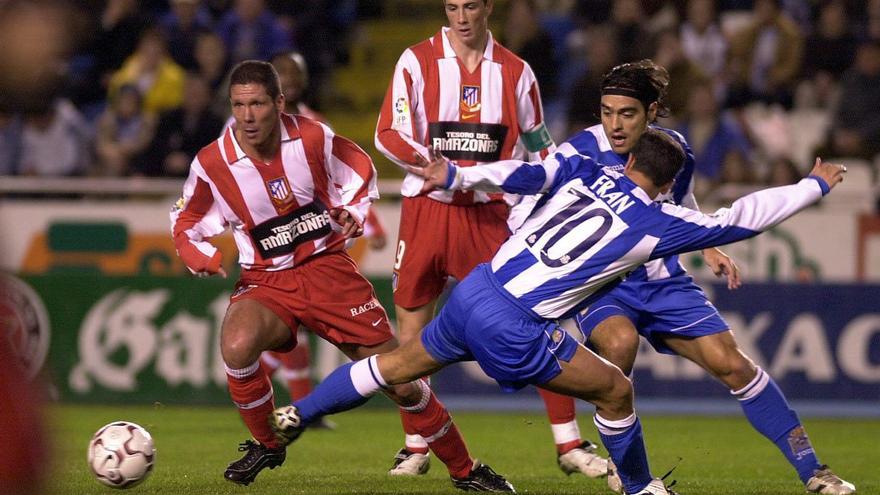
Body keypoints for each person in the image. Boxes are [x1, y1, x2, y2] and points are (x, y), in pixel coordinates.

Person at [271, 129, 846, 495]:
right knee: (616, 390)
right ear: (670, 181)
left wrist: (459, 175)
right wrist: (813, 186)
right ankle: (641, 489)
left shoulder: (587, 169)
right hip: (515, 326)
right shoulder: (655, 222)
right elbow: (742, 218)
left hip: (476, 289)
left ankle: (298, 413)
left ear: (630, 157)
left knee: (395, 365)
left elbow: (526, 173)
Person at [171, 60, 512, 491]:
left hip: (328, 272)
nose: (247, 115)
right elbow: (187, 220)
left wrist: (353, 210)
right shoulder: (213, 162)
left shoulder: (313, 136)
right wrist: (196, 253)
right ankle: (267, 443)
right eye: (239, 105)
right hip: (266, 280)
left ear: (278, 103)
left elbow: (359, 167)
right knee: (236, 345)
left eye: (257, 104)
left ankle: (466, 470)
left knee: (403, 381)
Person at [567, 60, 855, 495]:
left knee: (733, 364)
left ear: (652, 111)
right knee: (619, 345)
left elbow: (680, 200)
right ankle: (627, 471)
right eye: (607, 112)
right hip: (605, 282)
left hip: (663, 280)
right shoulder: (578, 152)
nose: (614, 124)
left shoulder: (672, 149)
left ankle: (814, 471)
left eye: (626, 114)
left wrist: (707, 245)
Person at [374, 0, 604, 479]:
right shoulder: (416, 60)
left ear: (488, 8)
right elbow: (388, 133)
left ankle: (569, 443)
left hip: (487, 217)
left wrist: (563, 187)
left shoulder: (517, 73)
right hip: (426, 213)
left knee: (533, 321)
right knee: (412, 333)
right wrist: (429, 164)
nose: (461, 16)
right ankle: (415, 445)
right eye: (453, 6)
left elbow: (541, 143)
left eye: (471, 6)